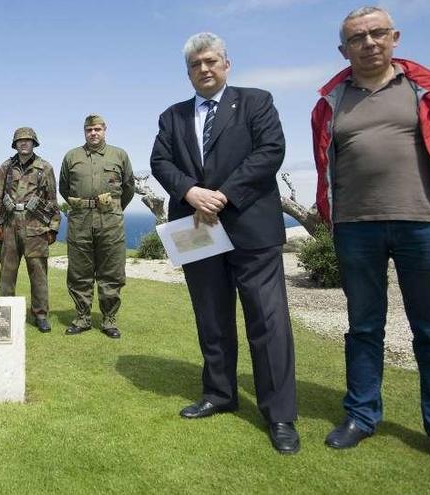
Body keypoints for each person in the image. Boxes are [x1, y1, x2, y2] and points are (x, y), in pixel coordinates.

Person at [312, 6, 430, 486]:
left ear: (395, 37)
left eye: (377, 34)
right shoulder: (330, 101)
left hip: (424, 226)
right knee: (363, 327)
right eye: (357, 38)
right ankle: (361, 416)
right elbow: (325, 159)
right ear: (343, 50)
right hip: (357, 228)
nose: (368, 43)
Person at [150, 33, 299, 454]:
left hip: (251, 227)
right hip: (196, 227)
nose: (204, 69)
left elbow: (271, 151)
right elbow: (159, 161)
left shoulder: (256, 102)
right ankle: (219, 393)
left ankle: (280, 414)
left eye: (211, 61)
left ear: (227, 64)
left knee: (267, 322)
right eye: (196, 64)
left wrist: (224, 194)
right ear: (188, 71)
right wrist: (191, 192)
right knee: (211, 317)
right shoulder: (172, 117)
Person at [59, 115, 134, 339]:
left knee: (111, 271)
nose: (93, 133)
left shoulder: (119, 155)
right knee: (79, 272)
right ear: (84, 131)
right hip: (80, 221)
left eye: (97, 129)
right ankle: (82, 317)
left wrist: (112, 208)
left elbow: (128, 188)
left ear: (105, 130)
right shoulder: (72, 156)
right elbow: (64, 187)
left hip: (110, 221)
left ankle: (109, 319)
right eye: (89, 129)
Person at [0, 127, 60, 332]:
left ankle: (40, 314)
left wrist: (53, 227)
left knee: (38, 273)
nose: (24, 143)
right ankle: (5, 313)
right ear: (15, 144)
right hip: (9, 226)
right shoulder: (6, 167)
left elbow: (52, 199)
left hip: (36, 227)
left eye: (28, 141)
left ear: (34, 143)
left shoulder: (44, 167)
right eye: (20, 141)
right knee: (7, 273)